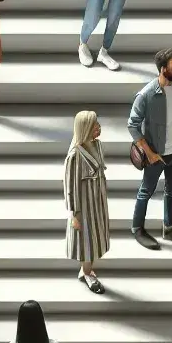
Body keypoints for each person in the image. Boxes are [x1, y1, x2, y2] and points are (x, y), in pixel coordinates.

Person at [126, 48, 172, 250]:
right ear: (163, 69)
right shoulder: (146, 94)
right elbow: (132, 124)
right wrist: (149, 153)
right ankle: (137, 228)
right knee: (145, 192)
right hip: (156, 155)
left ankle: (169, 227)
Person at [64, 110, 110, 294]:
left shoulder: (97, 146)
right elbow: (70, 185)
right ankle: (86, 272)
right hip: (84, 205)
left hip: (97, 202)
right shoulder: (75, 156)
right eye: (94, 125)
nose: (98, 127)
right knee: (86, 241)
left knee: (96, 237)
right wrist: (75, 212)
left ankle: (88, 268)